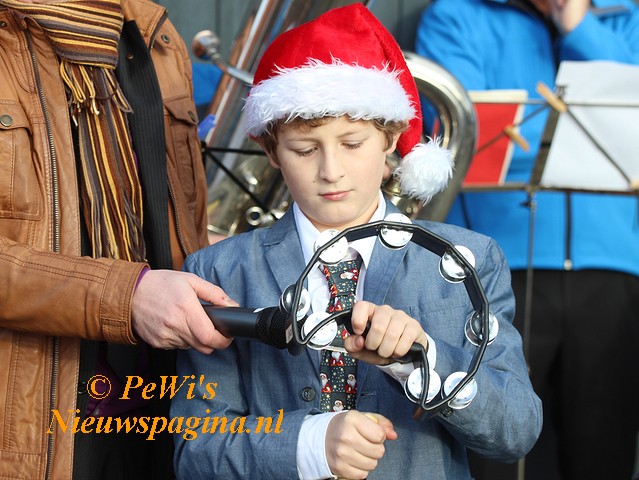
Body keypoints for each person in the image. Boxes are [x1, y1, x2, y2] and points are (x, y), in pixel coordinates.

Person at [171, 4, 542, 479]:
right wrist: (307, 444)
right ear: (271, 151)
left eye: (352, 144)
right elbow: (194, 451)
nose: (331, 171)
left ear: (391, 138)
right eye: (305, 149)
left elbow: (516, 431)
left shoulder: (469, 259)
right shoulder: (218, 271)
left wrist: (424, 361)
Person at [0, 0, 237, 479]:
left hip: (164, 400)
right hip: (32, 419)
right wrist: (126, 297)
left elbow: (177, 220)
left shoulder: (154, 34)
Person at [415, 1, 639, 479]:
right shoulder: (456, 14)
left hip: (612, 264)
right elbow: (460, 133)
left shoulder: (627, 17)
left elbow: (629, 120)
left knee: (605, 449)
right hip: (496, 268)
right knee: (493, 447)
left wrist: (578, 26)